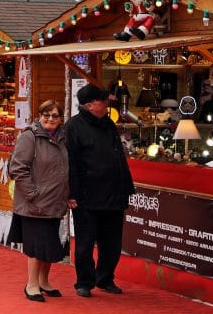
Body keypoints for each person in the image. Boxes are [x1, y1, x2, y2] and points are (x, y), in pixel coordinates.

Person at [65, 83, 135, 298]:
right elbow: (71, 162)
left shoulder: (108, 124)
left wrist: (126, 188)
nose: (107, 104)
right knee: (85, 242)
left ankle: (105, 278)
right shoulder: (73, 127)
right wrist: (72, 193)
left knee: (112, 243)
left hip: (114, 193)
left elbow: (118, 157)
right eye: (103, 101)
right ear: (91, 104)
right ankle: (84, 282)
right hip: (87, 195)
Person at [7, 100, 72, 302]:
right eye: (46, 114)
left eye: (55, 115)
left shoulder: (62, 138)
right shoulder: (29, 137)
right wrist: (34, 193)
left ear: (61, 119)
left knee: (49, 246)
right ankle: (31, 284)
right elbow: (17, 168)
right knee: (36, 247)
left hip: (54, 202)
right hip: (34, 204)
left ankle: (44, 281)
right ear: (39, 115)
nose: (50, 119)